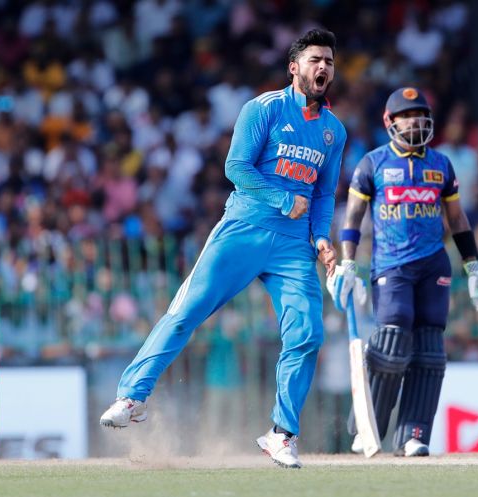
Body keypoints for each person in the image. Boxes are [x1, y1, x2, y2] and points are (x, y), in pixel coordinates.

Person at [100, 29, 346, 469]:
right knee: (187, 309)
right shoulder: (263, 109)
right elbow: (236, 167)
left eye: (328, 60)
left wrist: (321, 237)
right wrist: (285, 200)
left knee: (308, 334)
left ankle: (281, 434)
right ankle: (131, 396)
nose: (323, 67)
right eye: (314, 60)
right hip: (245, 227)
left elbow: (325, 194)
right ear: (294, 68)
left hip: (293, 246)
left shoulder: (333, 132)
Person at [327, 87, 478, 457]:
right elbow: (353, 217)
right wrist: (349, 263)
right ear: (390, 121)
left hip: (433, 263)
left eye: (421, 114)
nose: (415, 121)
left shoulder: (441, 164)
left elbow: (456, 218)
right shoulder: (372, 164)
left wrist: (474, 268)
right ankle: (367, 427)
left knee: (430, 351)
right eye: (407, 115)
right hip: (391, 264)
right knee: (390, 342)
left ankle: (413, 435)